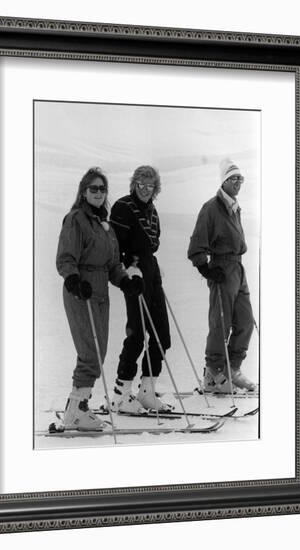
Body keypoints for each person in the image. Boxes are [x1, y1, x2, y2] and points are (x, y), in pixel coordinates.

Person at [55, 167, 144, 431]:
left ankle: (78, 407)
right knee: (89, 352)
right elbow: (66, 257)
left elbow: (113, 265)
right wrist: (73, 279)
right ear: (84, 191)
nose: (98, 192)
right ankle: (76, 411)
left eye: (102, 189)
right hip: (80, 291)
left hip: (100, 293)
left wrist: (126, 281)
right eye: (93, 188)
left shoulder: (105, 226)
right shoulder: (75, 220)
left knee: (98, 352)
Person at [187, 158, 257, 393]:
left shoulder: (235, 207)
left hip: (238, 268)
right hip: (222, 269)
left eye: (240, 178)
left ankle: (232, 369)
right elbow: (197, 244)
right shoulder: (211, 208)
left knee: (245, 321)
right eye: (233, 178)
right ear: (224, 181)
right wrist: (205, 268)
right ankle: (213, 372)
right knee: (221, 322)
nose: (238, 182)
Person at [109, 165, 172, 413]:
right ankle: (120, 394)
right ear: (134, 184)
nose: (145, 190)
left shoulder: (152, 211)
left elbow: (152, 244)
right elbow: (114, 244)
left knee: (161, 336)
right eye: (141, 184)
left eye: (150, 186)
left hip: (150, 272)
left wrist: (152, 267)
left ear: (156, 188)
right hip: (133, 274)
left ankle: (147, 390)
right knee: (137, 334)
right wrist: (128, 267)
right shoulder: (123, 207)